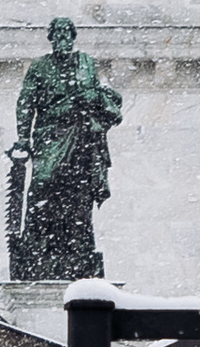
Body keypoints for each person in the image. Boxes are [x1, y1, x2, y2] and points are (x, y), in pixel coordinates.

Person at [8, 17, 123, 283]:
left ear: (73, 37)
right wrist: (23, 138)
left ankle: (78, 246)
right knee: (42, 185)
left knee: (79, 193)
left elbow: (101, 96)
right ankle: (36, 244)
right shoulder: (39, 67)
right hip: (50, 134)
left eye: (67, 34)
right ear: (51, 38)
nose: (63, 39)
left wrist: (93, 98)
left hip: (81, 135)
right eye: (58, 34)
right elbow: (26, 103)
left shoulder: (87, 64)